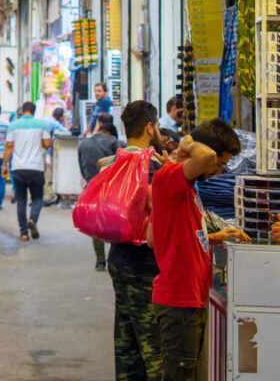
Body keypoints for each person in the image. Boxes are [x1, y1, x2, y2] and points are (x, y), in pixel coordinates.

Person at [152, 120, 249, 381]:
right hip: (179, 301)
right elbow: (206, 156)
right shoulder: (171, 176)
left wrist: (213, 237)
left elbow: (171, 234)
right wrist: (188, 142)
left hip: (188, 298)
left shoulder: (184, 185)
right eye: (219, 164)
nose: (218, 172)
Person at [105, 101, 165, 381]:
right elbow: (154, 206)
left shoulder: (116, 160)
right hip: (143, 262)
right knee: (152, 345)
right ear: (150, 128)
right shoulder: (148, 164)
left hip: (119, 257)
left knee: (126, 339)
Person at [77, 115, 123, 271]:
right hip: (112, 189)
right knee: (115, 224)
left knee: (96, 225)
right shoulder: (114, 142)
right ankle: (114, 258)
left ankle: (100, 261)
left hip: (92, 188)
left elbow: (81, 167)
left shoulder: (83, 143)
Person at [2, 102, 51, 242]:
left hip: (18, 168)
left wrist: (4, 164)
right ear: (34, 111)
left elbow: (9, 146)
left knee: (21, 200)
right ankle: (33, 219)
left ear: (22, 111)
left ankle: (24, 233)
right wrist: (39, 142)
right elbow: (47, 144)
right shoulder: (42, 125)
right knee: (37, 198)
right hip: (36, 167)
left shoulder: (13, 125)